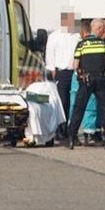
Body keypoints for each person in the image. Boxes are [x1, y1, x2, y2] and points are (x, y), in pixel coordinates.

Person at [66, 19, 105, 150]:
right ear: (98, 29)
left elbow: (75, 65)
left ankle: (71, 137)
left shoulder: (81, 44)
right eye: (103, 29)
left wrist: (81, 73)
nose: (103, 31)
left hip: (86, 79)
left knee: (78, 108)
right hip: (101, 80)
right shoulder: (104, 45)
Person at [44, 10, 80, 139]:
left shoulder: (77, 36)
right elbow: (50, 53)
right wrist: (52, 68)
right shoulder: (55, 36)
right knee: (62, 100)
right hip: (61, 71)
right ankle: (61, 128)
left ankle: (71, 127)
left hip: (75, 72)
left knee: (74, 101)